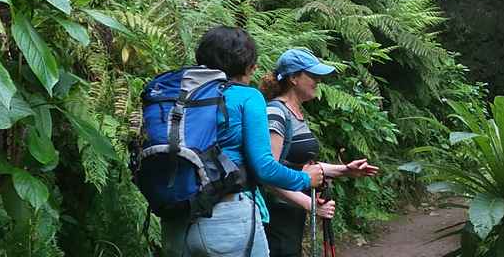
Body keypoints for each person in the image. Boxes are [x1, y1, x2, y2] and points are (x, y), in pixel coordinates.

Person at [161, 27, 326, 257]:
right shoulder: (247, 96)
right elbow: (265, 168)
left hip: (176, 219)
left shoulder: (176, 95)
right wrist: (305, 178)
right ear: (247, 66)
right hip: (227, 217)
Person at [259, 47, 380, 257]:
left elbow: (301, 166)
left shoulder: (295, 113)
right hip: (276, 214)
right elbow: (268, 174)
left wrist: (345, 170)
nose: (318, 81)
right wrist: (311, 205)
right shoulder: (276, 113)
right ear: (294, 78)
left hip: (290, 212)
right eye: (313, 76)